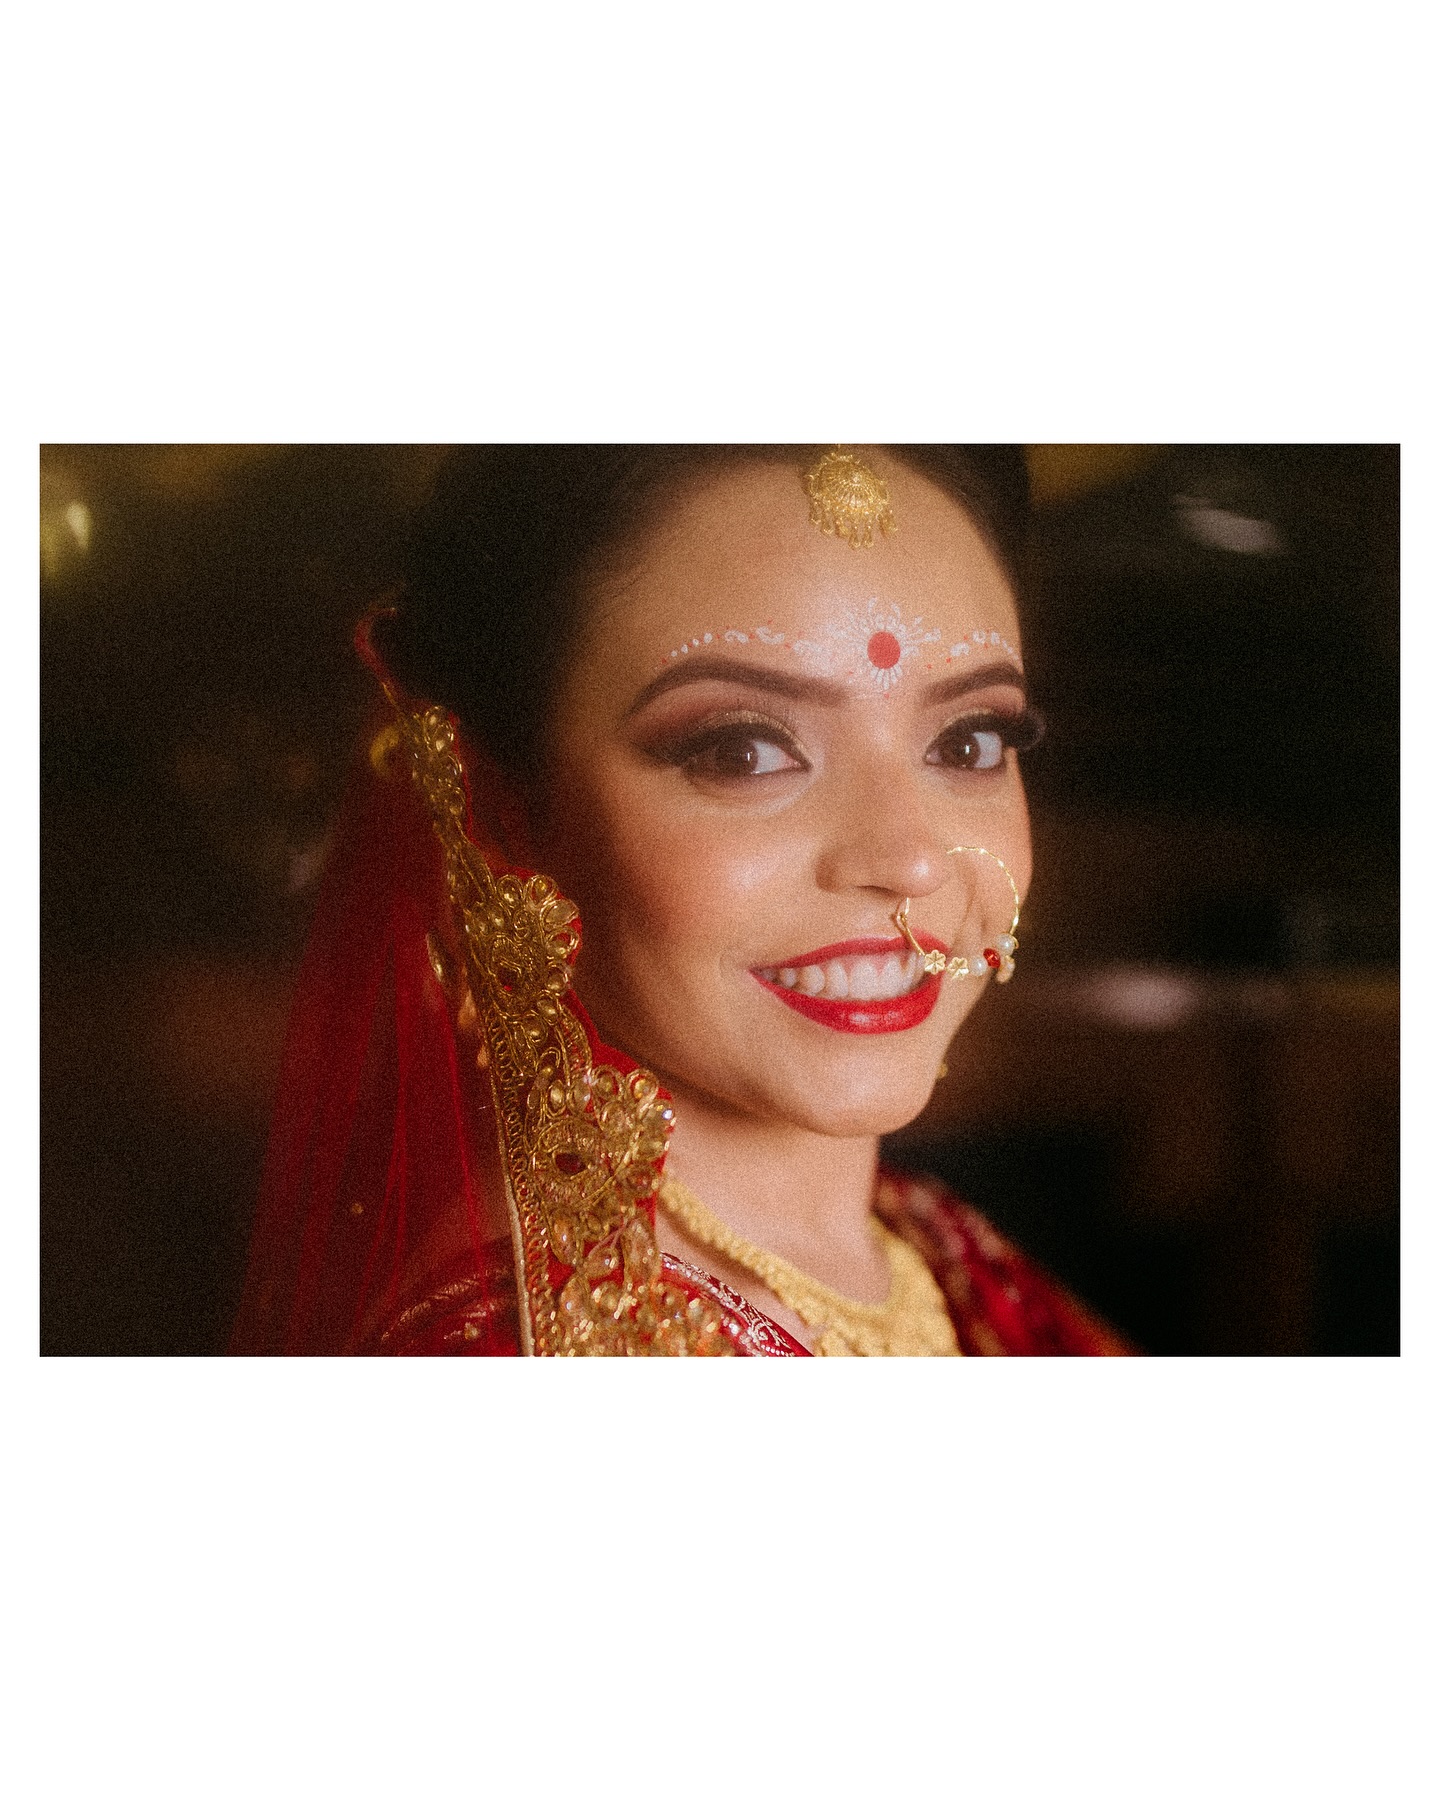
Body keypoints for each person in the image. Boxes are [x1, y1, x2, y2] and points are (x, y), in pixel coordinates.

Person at [230, 446, 1130, 1355]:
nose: (908, 861)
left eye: (969, 742)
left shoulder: (938, 1248)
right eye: (742, 751)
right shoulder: (509, 1352)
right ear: (501, 810)